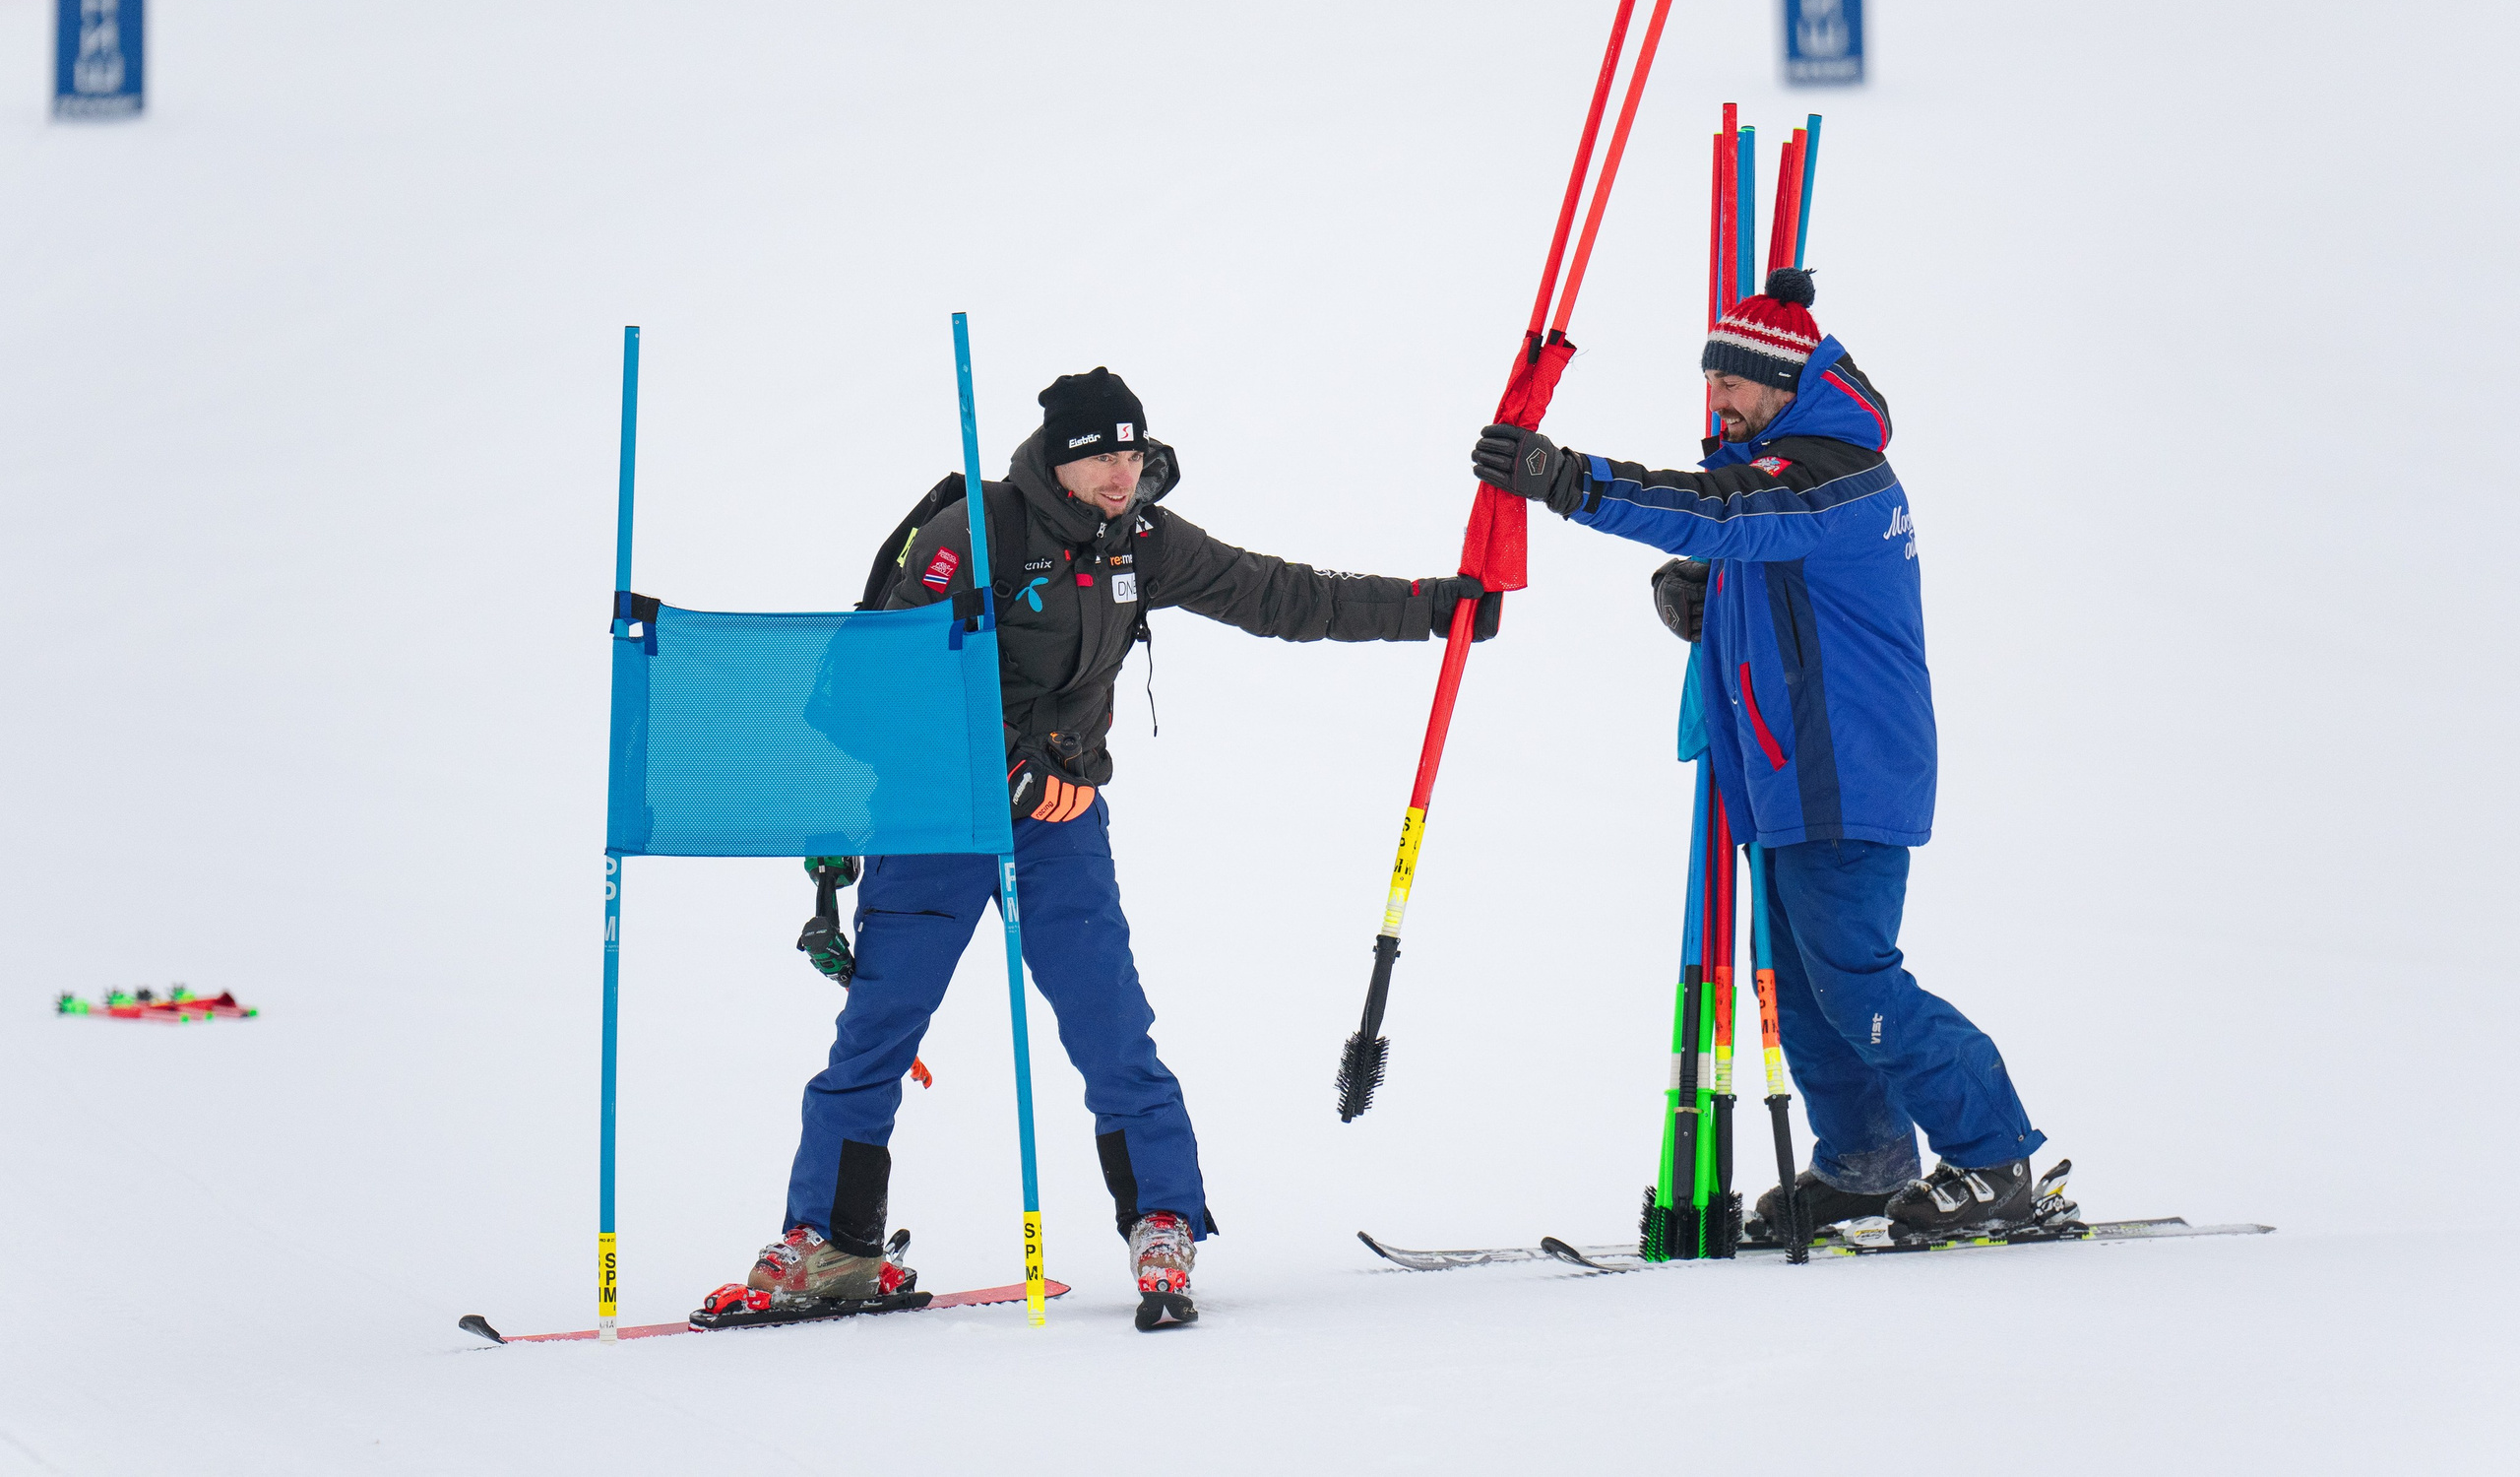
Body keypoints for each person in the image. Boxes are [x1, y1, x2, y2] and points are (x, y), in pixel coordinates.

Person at [747, 367, 1500, 1331]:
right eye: (1102, 454)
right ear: (1058, 461)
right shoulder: (971, 536)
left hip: (1059, 821)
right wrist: (999, 767)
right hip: (934, 818)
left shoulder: (1141, 539)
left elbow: (1277, 594)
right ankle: (830, 1245)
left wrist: (1433, 608)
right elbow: (859, 693)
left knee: (1111, 1026)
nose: (1122, 471)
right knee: (877, 1034)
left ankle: (1163, 1222)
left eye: (1133, 452)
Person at [1471, 270, 2047, 1239]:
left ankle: (1993, 1155)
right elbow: (1750, 552)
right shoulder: (1796, 474)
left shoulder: (1836, 477)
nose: (1718, 401)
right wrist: (1701, 593)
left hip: (1844, 772)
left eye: (1732, 384)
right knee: (1796, 982)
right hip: (1786, 776)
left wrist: (1569, 482)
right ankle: (1864, 1160)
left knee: (1854, 979)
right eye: (1712, 383)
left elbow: (1728, 511)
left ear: (1783, 384)